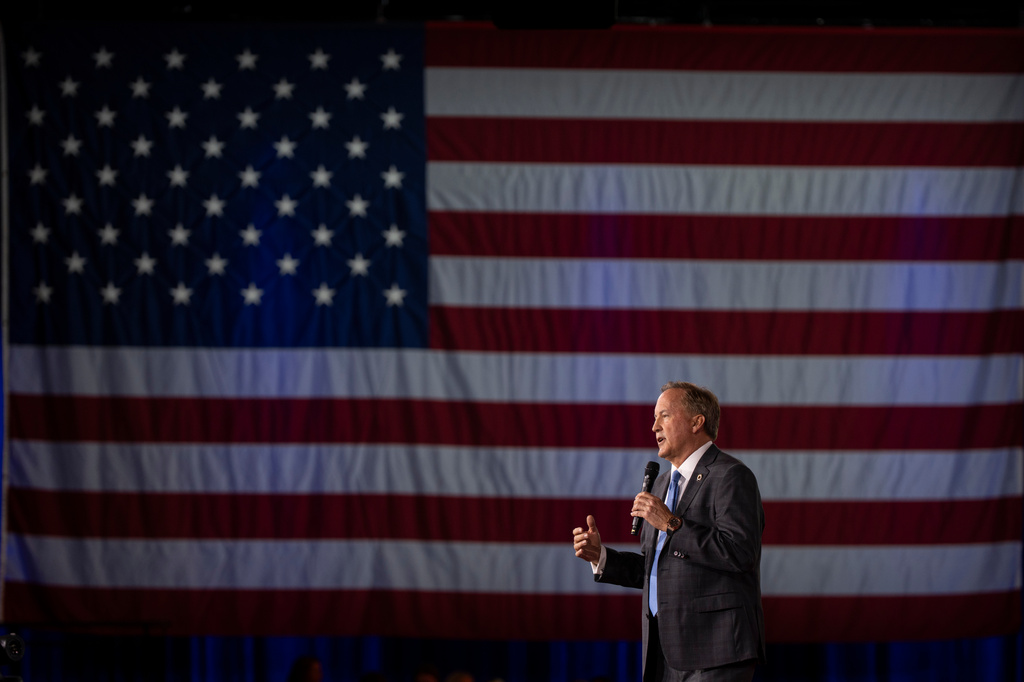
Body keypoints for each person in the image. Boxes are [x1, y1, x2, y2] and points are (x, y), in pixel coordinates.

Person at [572, 381, 766, 682]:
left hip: (715, 650)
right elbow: (661, 568)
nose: (653, 427)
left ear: (696, 422)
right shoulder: (662, 484)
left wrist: (672, 524)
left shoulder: (730, 476)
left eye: (663, 415)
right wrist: (603, 558)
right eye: (654, 418)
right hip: (663, 652)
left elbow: (740, 554)